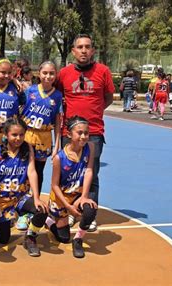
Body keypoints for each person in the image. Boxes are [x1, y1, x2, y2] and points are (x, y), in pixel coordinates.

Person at [55, 34, 114, 232]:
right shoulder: (64, 73)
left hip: (94, 133)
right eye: (79, 47)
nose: (83, 50)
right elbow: (57, 96)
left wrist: (93, 114)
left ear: (93, 51)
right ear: (73, 51)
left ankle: (88, 213)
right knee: (67, 176)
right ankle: (68, 211)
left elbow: (108, 98)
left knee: (91, 175)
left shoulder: (103, 71)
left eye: (87, 47)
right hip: (68, 133)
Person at [0, 118, 48, 256]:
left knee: (42, 209)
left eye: (21, 134)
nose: (18, 138)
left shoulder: (28, 150)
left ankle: (31, 237)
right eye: (14, 135)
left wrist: (36, 197)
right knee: (3, 239)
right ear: (6, 135)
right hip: (2, 200)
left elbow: (32, 172)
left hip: (20, 198)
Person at [17, 61, 62, 230]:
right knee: (24, 171)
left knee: (38, 172)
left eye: (51, 73)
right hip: (27, 134)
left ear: (55, 75)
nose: (48, 76)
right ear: (39, 73)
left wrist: (57, 144)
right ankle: (20, 208)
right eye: (45, 72)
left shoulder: (57, 96)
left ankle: (31, 209)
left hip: (44, 137)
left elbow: (58, 121)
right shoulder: (30, 91)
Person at [46, 116, 96, 259]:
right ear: (69, 135)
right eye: (79, 133)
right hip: (61, 198)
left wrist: (84, 197)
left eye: (86, 133)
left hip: (77, 195)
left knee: (90, 208)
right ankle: (48, 220)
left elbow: (88, 171)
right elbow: (54, 185)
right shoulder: (59, 158)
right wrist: (68, 207)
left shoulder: (90, 147)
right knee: (63, 237)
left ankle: (78, 239)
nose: (83, 136)